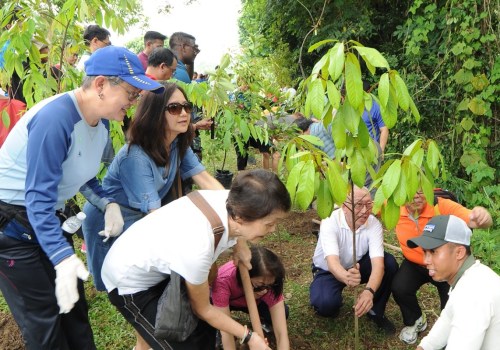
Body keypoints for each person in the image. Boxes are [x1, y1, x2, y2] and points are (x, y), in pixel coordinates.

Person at [0, 46, 164, 349]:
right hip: (12, 225)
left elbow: (81, 175)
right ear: (101, 85)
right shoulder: (55, 119)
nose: (134, 102)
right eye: (131, 93)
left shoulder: (100, 124)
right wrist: (61, 257)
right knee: (44, 319)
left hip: (48, 218)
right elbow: (37, 198)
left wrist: (108, 203)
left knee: (74, 309)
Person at [101, 169, 290, 350]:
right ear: (240, 217)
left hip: (164, 264)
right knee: (185, 344)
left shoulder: (231, 200)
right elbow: (204, 309)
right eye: (269, 224)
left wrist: (240, 244)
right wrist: (249, 336)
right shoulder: (198, 246)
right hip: (129, 281)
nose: (273, 230)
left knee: (205, 334)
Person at [391, 189, 492, 344]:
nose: (416, 196)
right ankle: (416, 320)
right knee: (400, 287)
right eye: (411, 190)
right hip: (414, 264)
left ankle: (450, 336)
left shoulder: (441, 206)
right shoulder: (392, 206)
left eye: (421, 190)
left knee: (451, 307)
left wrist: (480, 217)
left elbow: (471, 218)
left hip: (445, 267)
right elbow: (367, 205)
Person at [309, 186, 398, 334]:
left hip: (356, 265)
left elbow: (378, 265)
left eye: (369, 204)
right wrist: (346, 277)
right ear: (345, 207)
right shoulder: (330, 221)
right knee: (326, 305)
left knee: (389, 263)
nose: (365, 211)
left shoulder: (373, 224)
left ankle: (375, 310)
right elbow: (332, 262)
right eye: (358, 205)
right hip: (328, 271)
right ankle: (325, 295)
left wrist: (369, 291)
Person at [407, 215, 500, 350]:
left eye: (433, 252)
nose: (426, 260)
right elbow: (448, 317)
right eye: (424, 252)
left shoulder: (473, 294)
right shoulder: (471, 275)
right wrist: (424, 347)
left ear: (459, 253)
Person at [212, 246, 290, 350]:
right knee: (212, 326)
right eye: (260, 285)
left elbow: (282, 333)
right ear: (245, 276)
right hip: (226, 302)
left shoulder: (270, 282)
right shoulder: (223, 280)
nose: (265, 290)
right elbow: (225, 328)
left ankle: (263, 324)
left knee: (283, 312)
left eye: (269, 285)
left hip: (254, 302)